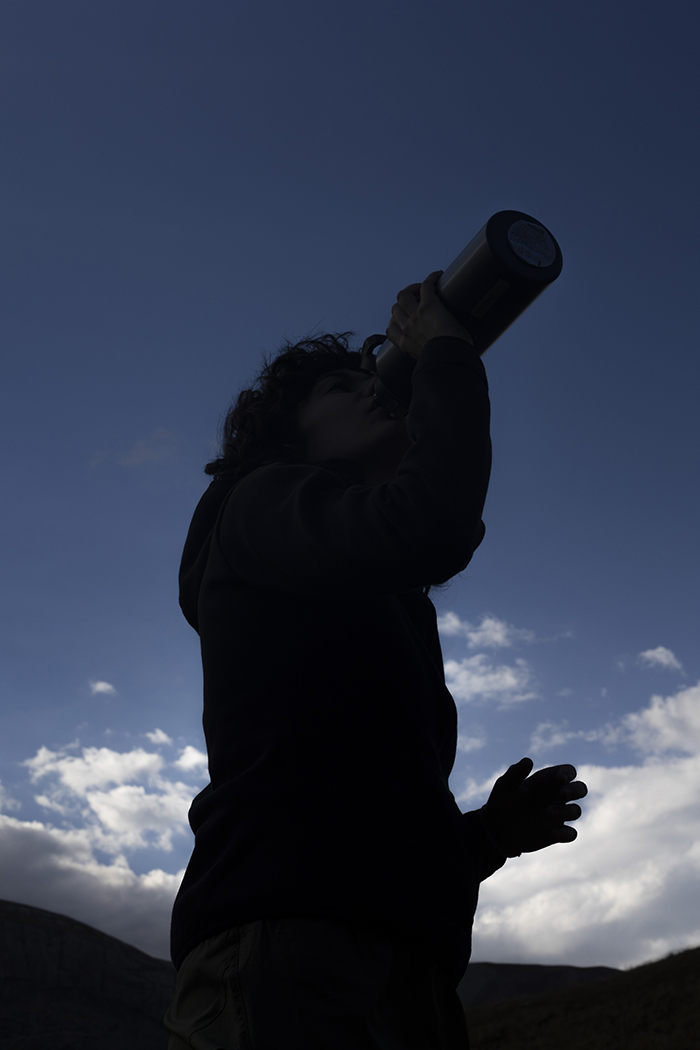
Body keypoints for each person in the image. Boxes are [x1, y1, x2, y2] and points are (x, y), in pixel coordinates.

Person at [163, 272, 587, 1049]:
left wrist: (486, 837)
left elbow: (358, 805)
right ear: (286, 433)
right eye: (340, 386)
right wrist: (448, 352)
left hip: (404, 964)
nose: (373, 390)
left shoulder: (388, 598)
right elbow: (430, 523)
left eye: (376, 380)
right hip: (286, 947)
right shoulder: (258, 502)